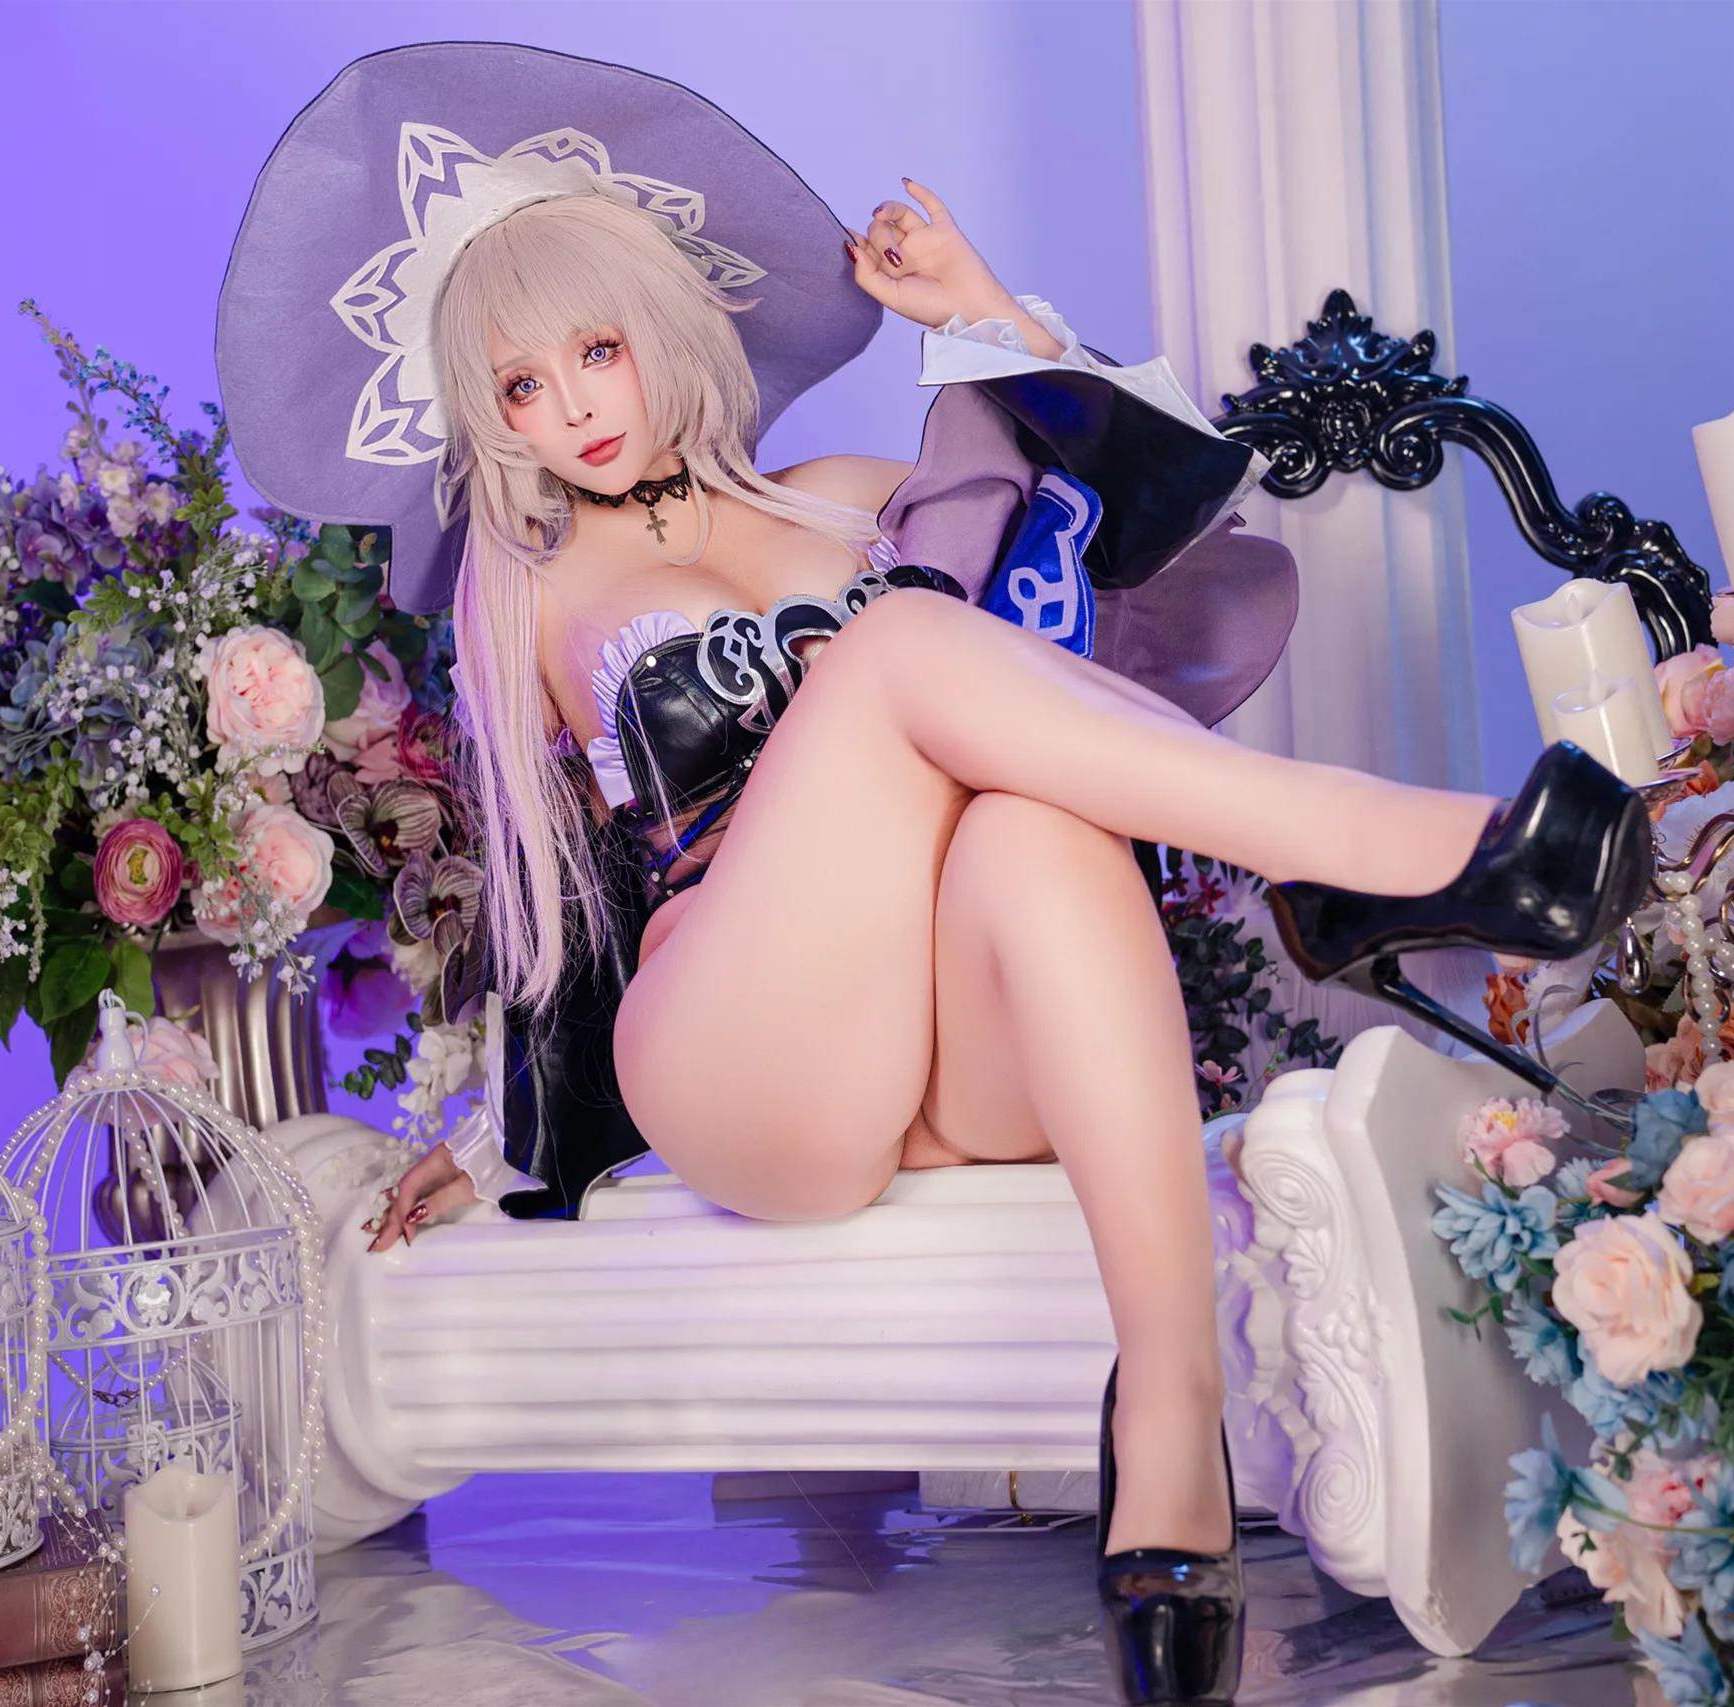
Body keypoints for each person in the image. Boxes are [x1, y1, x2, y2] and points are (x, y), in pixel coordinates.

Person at [218, 44, 1650, 1706]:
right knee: (898, 646)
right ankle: (1392, 855)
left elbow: (1129, 535)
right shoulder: (531, 593)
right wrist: (492, 1138)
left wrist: (984, 312)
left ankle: (1166, 1422)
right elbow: (552, 909)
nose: (575, 408)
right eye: (522, 388)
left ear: (665, 326)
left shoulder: (842, 503)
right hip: (749, 1054)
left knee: (1032, 823)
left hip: (954, 1037)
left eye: (595, 349)